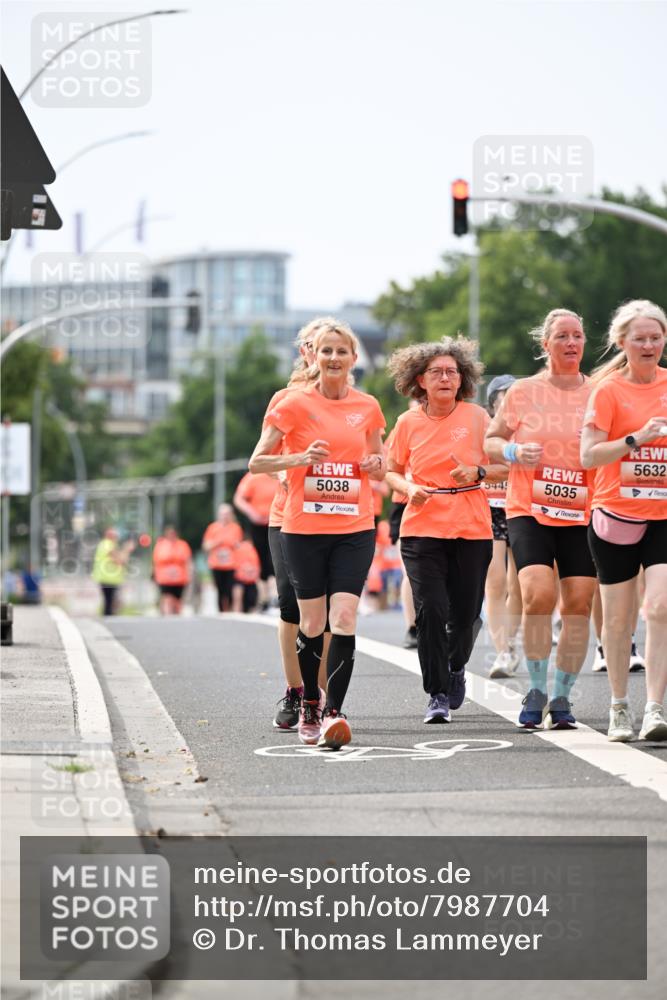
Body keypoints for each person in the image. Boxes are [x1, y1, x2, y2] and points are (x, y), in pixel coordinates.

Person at [250, 318, 386, 749]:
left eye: (340, 351)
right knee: (307, 619)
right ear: (310, 353)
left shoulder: (368, 406)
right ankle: (307, 698)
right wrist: (299, 459)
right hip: (301, 526)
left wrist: (374, 466)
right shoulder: (290, 402)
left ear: (353, 358)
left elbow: (380, 461)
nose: (331, 357)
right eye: (324, 350)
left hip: (354, 525)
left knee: (343, 617)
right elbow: (257, 462)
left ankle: (334, 712)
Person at [485, 309, 597, 729]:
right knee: (536, 594)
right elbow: (492, 440)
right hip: (529, 507)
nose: (572, 343)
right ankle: (536, 688)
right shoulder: (523, 392)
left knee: (579, 603)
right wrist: (514, 452)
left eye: (578, 336)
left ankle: (563, 697)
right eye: (563, 337)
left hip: (583, 508)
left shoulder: (599, 392)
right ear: (545, 345)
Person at [386, 337, 506, 724]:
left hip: (471, 525)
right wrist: (407, 488)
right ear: (420, 380)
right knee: (432, 610)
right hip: (422, 526)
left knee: (466, 614)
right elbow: (388, 470)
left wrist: (479, 471)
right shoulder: (407, 422)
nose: (444, 378)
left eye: (451, 372)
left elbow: (507, 467)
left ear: (462, 379)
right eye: (436, 372)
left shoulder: (477, 418)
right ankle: (437, 692)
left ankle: (456, 667)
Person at [581, 299, 667, 742]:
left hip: (664, 516)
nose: (649, 345)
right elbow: (588, 456)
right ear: (622, 342)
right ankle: (618, 706)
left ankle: (654, 708)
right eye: (640, 338)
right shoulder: (609, 391)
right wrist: (637, 439)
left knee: (660, 607)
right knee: (618, 620)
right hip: (616, 513)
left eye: (656, 337)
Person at [264, 319, 331, 730]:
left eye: (328, 345)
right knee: (292, 607)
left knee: (326, 612)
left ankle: (320, 695)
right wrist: (286, 472)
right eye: (312, 344)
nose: (318, 351)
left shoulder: (353, 402)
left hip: (336, 520)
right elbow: (265, 456)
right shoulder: (286, 397)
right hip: (287, 516)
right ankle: (296, 691)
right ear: (305, 351)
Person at [483, 375, 523, 678]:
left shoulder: (529, 428)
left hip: (522, 507)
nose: (509, 399)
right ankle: (502, 652)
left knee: (518, 583)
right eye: (503, 396)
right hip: (491, 508)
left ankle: (510, 641)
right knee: (494, 580)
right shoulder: (485, 431)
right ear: (493, 402)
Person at [233, 471, 278, 609]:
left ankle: (275, 595)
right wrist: (251, 513)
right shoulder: (253, 476)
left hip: (277, 521)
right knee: (260, 559)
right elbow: (239, 499)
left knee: (276, 557)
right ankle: (264, 598)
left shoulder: (280, 473)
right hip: (257, 524)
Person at [202, 504, 242, 612]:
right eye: (223, 514)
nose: (225, 516)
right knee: (219, 589)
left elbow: (239, 545)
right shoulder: (212, 528)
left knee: (229, 589)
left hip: (231, 564)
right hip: (216, 564)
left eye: (227, 514)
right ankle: (221, 610)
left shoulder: (236, 528)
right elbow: (206, 546)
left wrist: (234, 544)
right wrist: (217, 542)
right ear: (219, 515)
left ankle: (229, 609)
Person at [92, 527, 134, 616]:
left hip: (106, 578)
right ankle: (109, 619)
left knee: (109, 602)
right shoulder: (108, 545)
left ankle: (108, 618)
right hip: (109, 579)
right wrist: (127, 550)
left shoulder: (104, 544)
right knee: (110, 603)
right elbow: (120, 561)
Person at [152, 526, 192, 615]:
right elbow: (155, 561)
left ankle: (176, 616)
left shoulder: (183, 545)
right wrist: (154, 575)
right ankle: (167, 615)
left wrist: (190, 574)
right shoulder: (161, 545)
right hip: (165, 578)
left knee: (177, 600)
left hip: (179, 578)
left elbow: (188, 561)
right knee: (167, 598)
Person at [232, 535, 261, 613]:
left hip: (240, 576)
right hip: (251, 578)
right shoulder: (252, 549)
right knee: (251, 602)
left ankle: (236, 612)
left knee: (238, 599)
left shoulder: (238, 548)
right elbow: (257, 564)